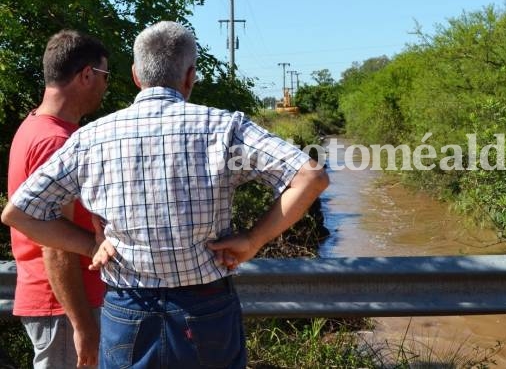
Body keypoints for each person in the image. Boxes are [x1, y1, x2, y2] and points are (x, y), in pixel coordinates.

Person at [2, 21, 329, 368]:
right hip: (206, 309)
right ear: (190, 77)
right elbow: (310, 177)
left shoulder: (91, 138)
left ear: (135, 76)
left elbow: (19, 214)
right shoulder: (224, 128)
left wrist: (90, 245)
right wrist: (253, 239)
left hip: (127, 310)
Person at [5, 30, 109, 368]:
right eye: (105, 76)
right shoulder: (55, 141)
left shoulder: (35, 126)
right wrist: (83, 326)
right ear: (87, 75)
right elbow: (54, 242)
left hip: (56, 303)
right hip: (64, 306)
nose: (106, 87)